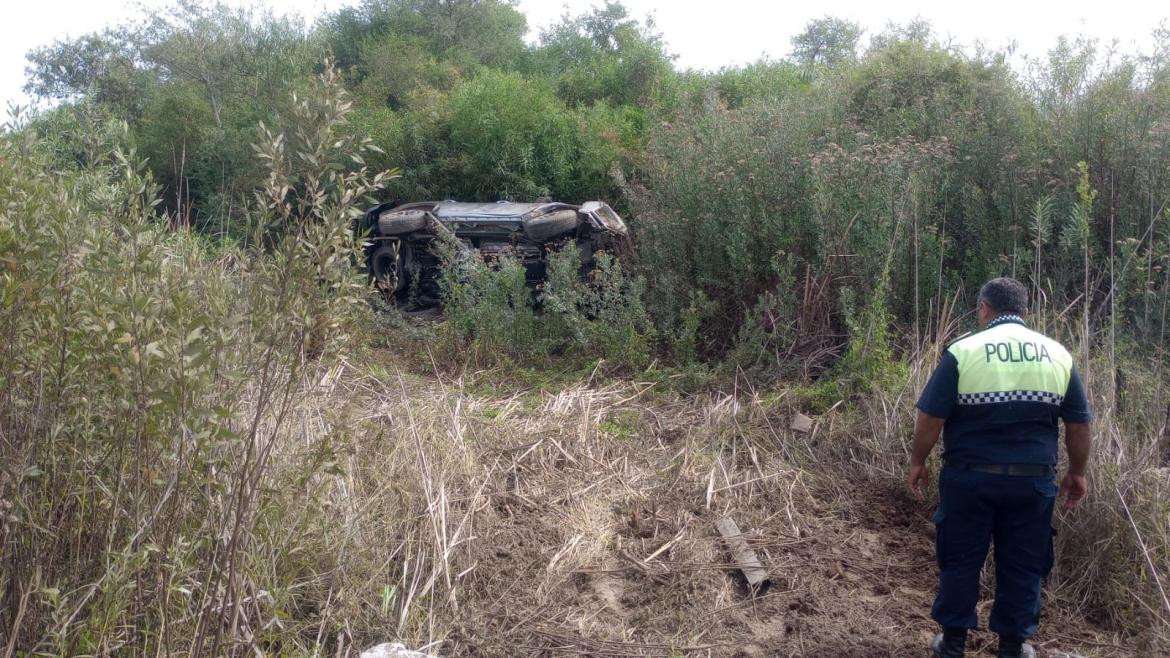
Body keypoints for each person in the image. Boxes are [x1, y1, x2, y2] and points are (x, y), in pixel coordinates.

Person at [907, 277, 1093, 658]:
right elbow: (1078, 424)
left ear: (984, 308)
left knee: (960, 558)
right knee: (1024, 564)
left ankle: (953, 642)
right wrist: (1077, 470)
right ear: (1025, 312)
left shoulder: (964, 351)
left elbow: (930, 416)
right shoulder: (1057, 354)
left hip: (970, 478)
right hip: (1032, 482)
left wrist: (918, 460)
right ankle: (1013, 645)